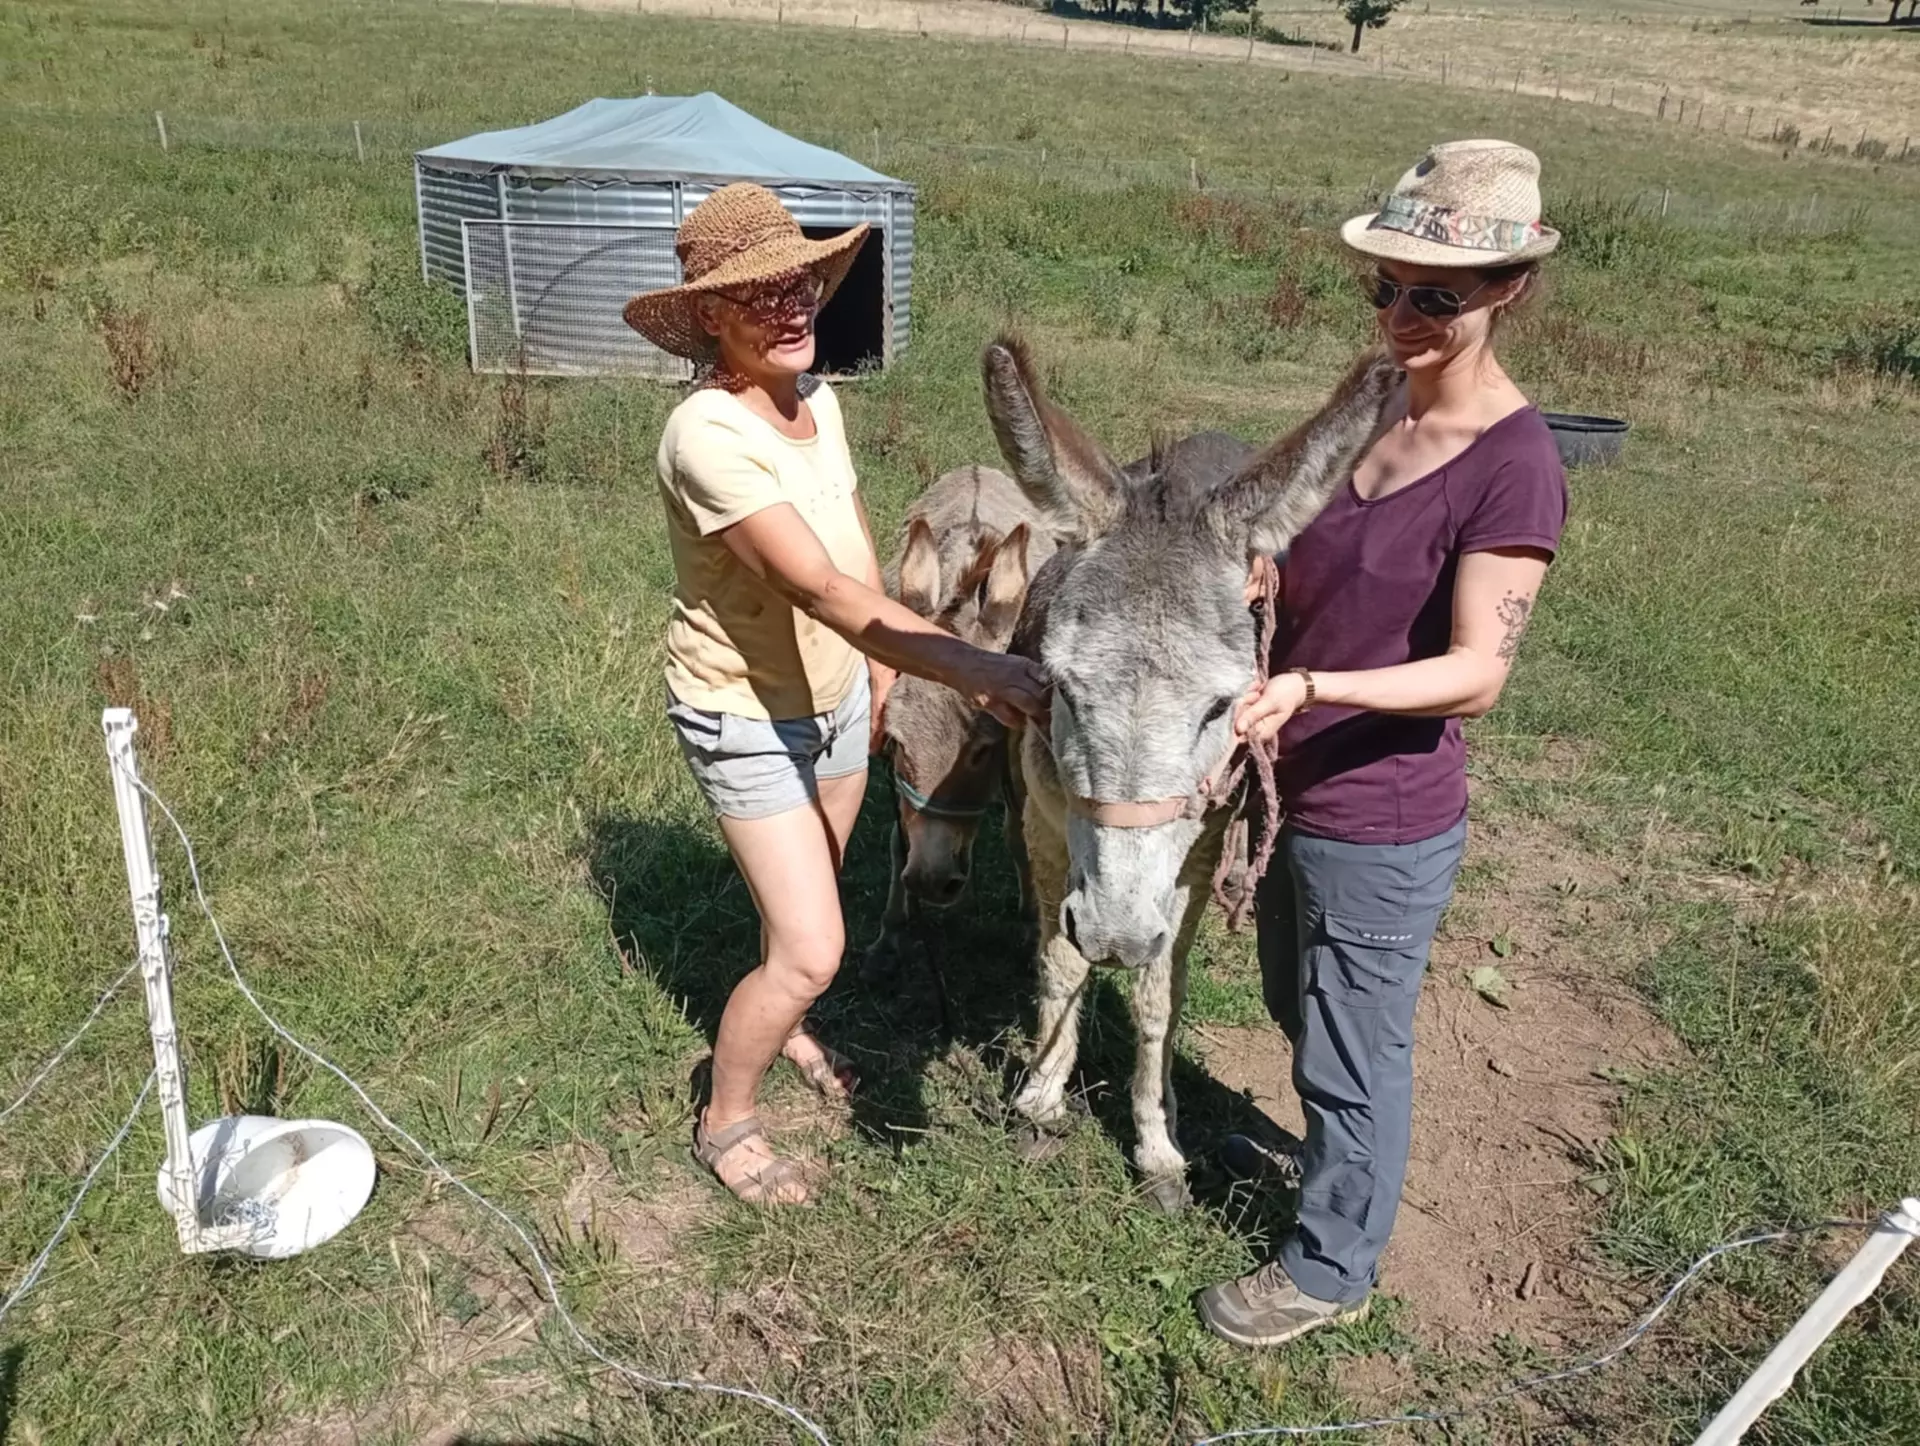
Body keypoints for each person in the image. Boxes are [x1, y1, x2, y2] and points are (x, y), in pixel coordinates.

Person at [1195, 140, 1569, 1345]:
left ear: (1508, 291)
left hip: (1381, 814)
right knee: (1302, 1009)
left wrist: (1310, 682)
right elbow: (1315, 546)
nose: (1400, 314)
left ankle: (1331, 1267)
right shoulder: (1380, 409)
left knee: (1355, 1046)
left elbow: (1477, 675)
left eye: (1434, 296)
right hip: (1298, 787)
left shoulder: (1513, 467)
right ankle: (1337, 1168)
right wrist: (1268, 570)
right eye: (1385, 287)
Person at [623, 185, 1048, 1205]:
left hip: (839, 695)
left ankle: (789, 1022)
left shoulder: (819, 402)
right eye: (757, 295)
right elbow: (815, 587)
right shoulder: (708, 437)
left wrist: (887, 669)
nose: (793, 306)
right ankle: (726, 1116)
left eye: (800, 283)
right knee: (815, 945)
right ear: (709, 318)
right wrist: (984, 669)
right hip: (746, 712)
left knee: (803, 904)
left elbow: (852, 548)